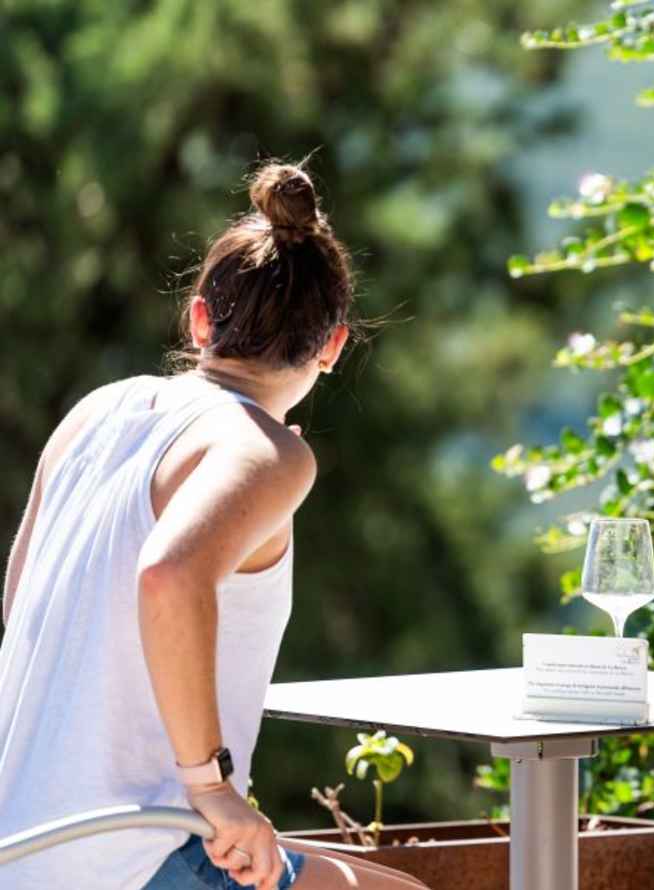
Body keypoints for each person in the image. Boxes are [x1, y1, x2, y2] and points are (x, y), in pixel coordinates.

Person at [0, 162, 427, 890]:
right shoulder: (266, 450)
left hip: (20, 838)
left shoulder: (94, 413)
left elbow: (21, 608)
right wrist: (212, 788)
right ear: (332, 346)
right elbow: (170, 574)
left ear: (200, 318)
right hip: (129, 854)